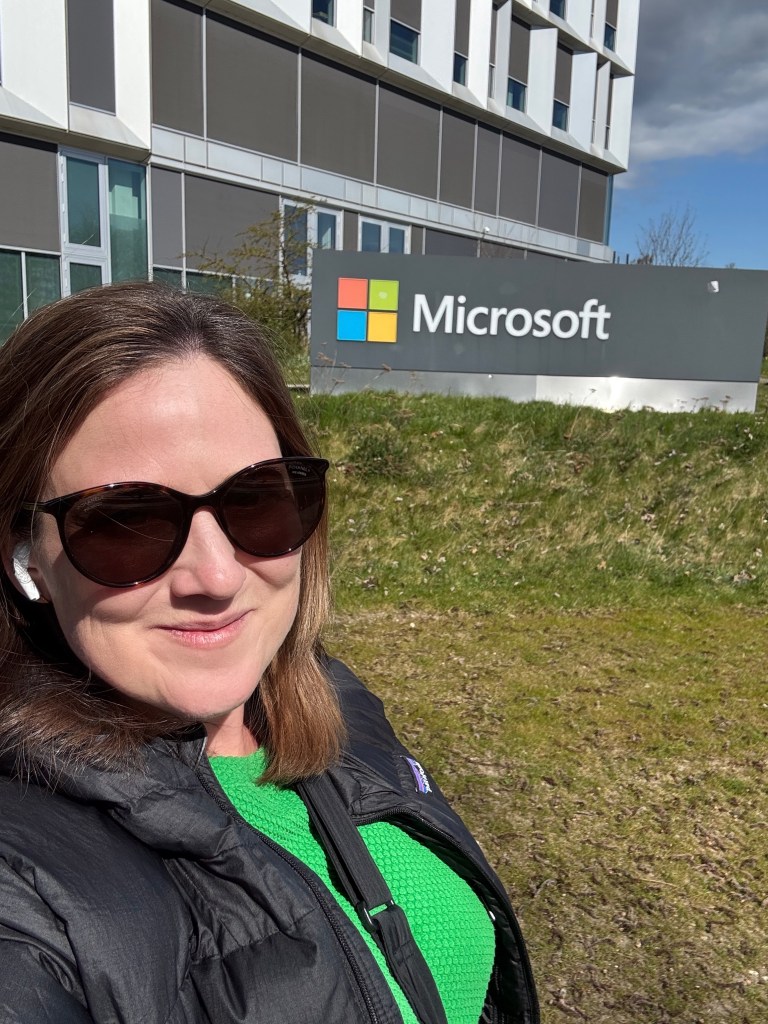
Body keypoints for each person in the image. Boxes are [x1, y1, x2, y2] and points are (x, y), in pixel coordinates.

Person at [0, 282, 538, 1024]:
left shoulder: (337, 704)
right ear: (24, 554)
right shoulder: (21, 883)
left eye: (256, 500)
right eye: (126, 521)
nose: (218, 577)